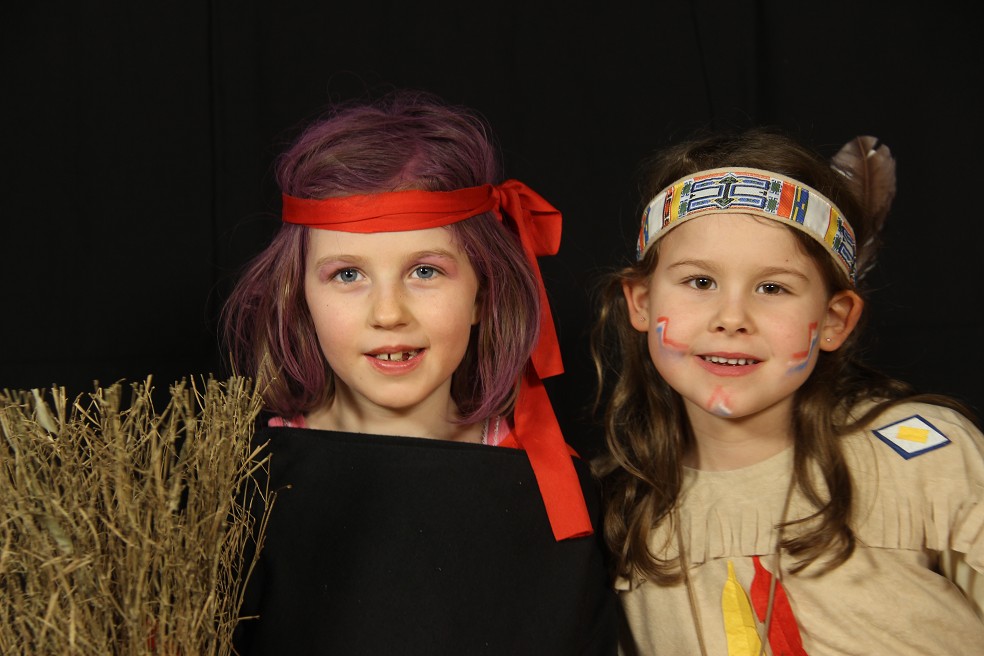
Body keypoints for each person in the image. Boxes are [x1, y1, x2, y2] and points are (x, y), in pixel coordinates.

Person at [221, 90, 617, 655]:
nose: (388, 314)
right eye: (347, 275)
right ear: (298, 295)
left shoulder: (557, 493)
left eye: (425, 271)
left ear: (483, 292)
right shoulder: (241, 486)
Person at [589, 126, 984, 655]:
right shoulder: (619, 507)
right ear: (640, 302)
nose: (732, 317)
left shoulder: (919, 455)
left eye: (772, 287)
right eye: (700, 282)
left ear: (834, 320)